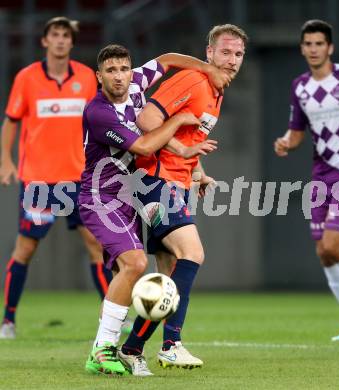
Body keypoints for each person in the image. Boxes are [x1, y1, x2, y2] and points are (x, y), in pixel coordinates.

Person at [80, 44, 231, 376]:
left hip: (133, 191)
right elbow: (146, 144)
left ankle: (134, 348)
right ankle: (104, 349)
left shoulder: (136, 84)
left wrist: (206, 69)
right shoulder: (99, 112)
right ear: (99, 76)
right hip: (103, 197)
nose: (119, 77)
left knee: (155, 265)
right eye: (111, 71)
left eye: (124, 69)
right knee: (135, 263)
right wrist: (178, 119)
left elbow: (167, 60)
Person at [118, 24, 247, 375]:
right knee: (193, 254)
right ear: (209, 53)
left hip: (174, 181)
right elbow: (147, 119)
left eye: (238, 54)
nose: (231, 60)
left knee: (172, 269)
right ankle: (139, 346)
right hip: (154, 181)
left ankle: (154, 347)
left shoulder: (217, 94)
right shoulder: (193, 79)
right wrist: (182, 148)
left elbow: (184, 131)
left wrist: (198, 168)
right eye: (225, 52)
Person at [0, 17, 114, 339]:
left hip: (80, 179)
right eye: (56, 35)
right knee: (25, 249)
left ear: (72, 42)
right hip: (39, 181)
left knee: (96, 246)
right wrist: (5, 161)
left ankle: (111, 319)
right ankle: (8, 321)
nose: (61, 40)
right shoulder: (27, 78)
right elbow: (10, 121)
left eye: (66, 35)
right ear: (45, 41)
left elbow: (101, 120)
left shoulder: (87, 79)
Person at [274, 19, 339, 342]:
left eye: (320, 43)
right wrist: (286, 142)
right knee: (323, 251)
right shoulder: (300, 86)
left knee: (335, 243)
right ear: (302, 48)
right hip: (322, 173)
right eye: (308, 44)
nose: (314, 49)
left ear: (330, 47)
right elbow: (298, 131)